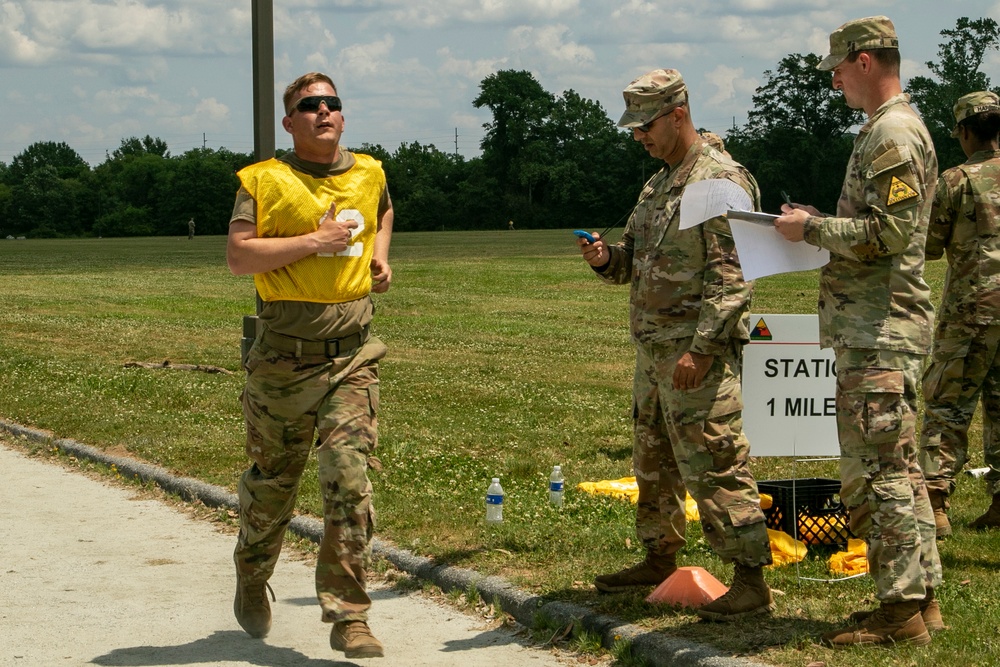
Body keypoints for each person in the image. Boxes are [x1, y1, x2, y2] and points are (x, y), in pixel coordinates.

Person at [577, 69, 774, 622]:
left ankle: (749, 579)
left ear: (677, 113)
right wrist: (606, 260)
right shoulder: (661, 183)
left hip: (696, 357)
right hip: (655, 354)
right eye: (634, 126)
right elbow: (634, 262)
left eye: (645, 124)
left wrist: (703, 349)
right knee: (654, 463)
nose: (638, 136)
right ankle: (659, 557)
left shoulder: (719, 180)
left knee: (715, 462)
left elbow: (734, 276)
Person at [774, 16, 944, 647]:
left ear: (867, 61)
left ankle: (899, 610)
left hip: (878, 328)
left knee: (879, 474)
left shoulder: (892, 133)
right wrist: (822, 219)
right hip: (881, 326)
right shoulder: (889, 129)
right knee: (901, 466)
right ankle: (922, 602)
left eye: (840, 68)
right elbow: (879, 224)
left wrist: (809, 231)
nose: (836, 80)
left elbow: (889, 236)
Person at [226, 71, 393, 659]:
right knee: (274, 485)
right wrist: (313, 242)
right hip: (282, 361)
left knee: (348, 479)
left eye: (333, 103)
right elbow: (239, 256)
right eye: (309, 105)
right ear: (290, 122)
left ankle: (348, 614)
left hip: (352, 356)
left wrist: (378, 257)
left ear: (342, 116)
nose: (324, 111)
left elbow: (383, 212)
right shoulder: (264, 182)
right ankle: (252, 571)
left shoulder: (369, 171)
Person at [918, 91, 1000, 537]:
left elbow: (929, 246)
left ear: (965, 132)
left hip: (971, 312)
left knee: (946, 405)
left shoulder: (955, 180)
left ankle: (935, 502)